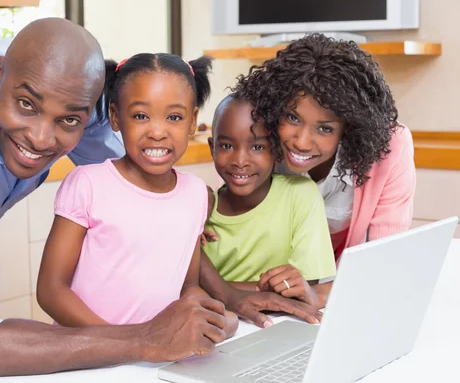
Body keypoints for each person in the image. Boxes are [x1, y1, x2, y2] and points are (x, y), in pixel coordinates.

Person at [0, 17, 322, 383]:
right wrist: (143, 340)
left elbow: (156, 202)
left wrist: (226, 296)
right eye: (25, 105)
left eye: (69, 120)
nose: (42, 138)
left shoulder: (90, 104)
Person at [37, 53, 238, 338]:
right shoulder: (88, 185)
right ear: (116, 117)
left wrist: (215, 318)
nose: (157, 131)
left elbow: (188, 286)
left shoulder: (194, 194)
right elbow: (50, 291)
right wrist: (128, 342)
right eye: (141, 116)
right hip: (90, 357)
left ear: (192, 122)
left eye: (174, 117)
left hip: (157, 358)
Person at [234, 33, 416, 260]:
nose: (301, 142)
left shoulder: (390, 148)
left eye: (325, 129)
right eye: (292, 117)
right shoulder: (259, 142)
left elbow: (385, 258)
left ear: (349, 127)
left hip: (346, 285)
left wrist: (324, 292)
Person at [203, 94, 336, 308]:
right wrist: (268, 291)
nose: (240, 161)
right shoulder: (199, 209)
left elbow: (303, 287)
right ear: (212, 148)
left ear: (276, 151)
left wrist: (217, 288)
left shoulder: (300, 195)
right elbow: (186, 289)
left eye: (257, 147)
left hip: (284, 318)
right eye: (227, 146)